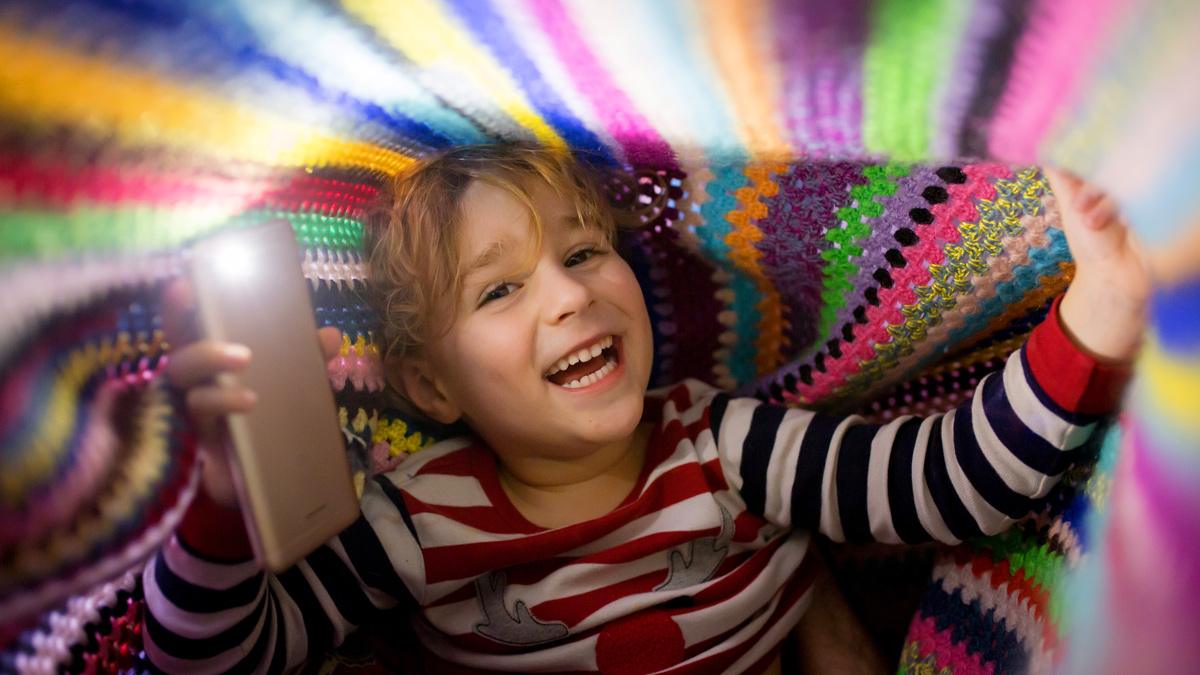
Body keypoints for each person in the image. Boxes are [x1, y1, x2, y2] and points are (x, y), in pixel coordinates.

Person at [144, 145, 1146, 674]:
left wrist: (1099, 304)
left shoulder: (725, 443)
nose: (570, 295)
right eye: (500, 292)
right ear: (432, 387)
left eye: (583, 253)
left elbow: (948, 485)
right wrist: (225, 506)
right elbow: (220, 658)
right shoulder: (414, 521)